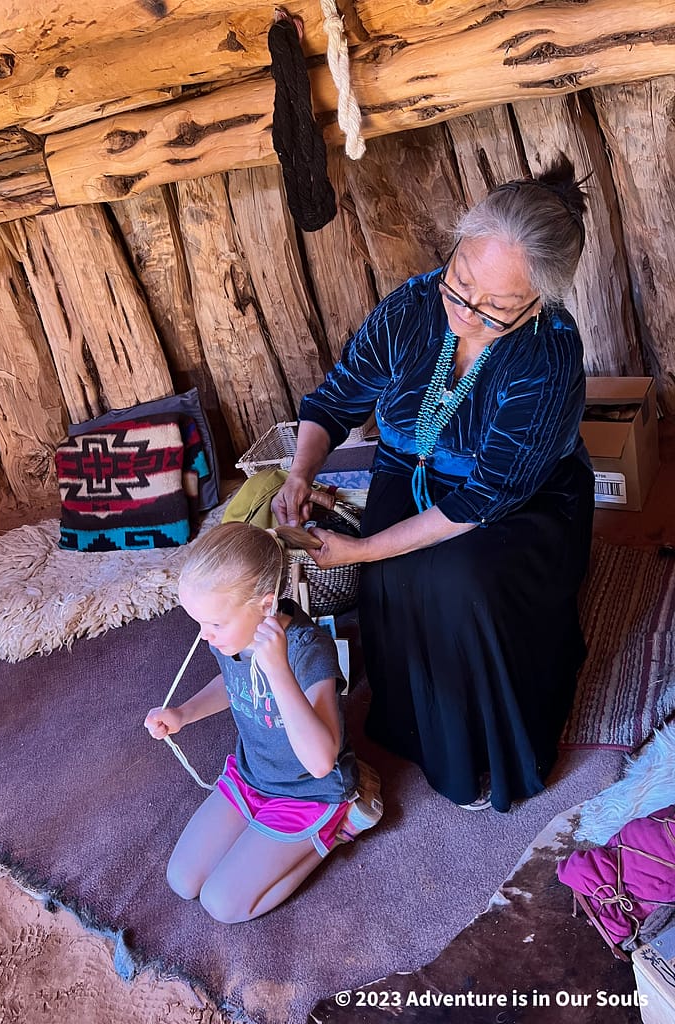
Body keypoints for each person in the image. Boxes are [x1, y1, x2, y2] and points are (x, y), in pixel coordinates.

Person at [272, 153, 595, 814]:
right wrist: (300, 472)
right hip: (407, 467)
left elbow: (482, 499)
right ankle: (414, 726)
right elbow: (334, 402)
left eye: (496, 308)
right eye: (459, 283)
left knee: (458, 582)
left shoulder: (549, 354)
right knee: (392, 576)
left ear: (541, 303)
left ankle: (490, 749)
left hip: (517, 499)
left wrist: (362, 547)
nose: (467, 313)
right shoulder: (414, 308)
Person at [144, 521, 370, 923]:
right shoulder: (232, 635)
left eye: (214, 623)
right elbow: (231, 685)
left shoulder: (307, 652)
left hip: (309, 791)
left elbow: (320, 761)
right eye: (199, 622)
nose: (205, 636)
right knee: (183, 879)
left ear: (266, 606)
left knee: (223, 904)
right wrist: (183, 714)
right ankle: (271, 830)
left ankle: (337, 827)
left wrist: (277, 668)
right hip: (253, 777)